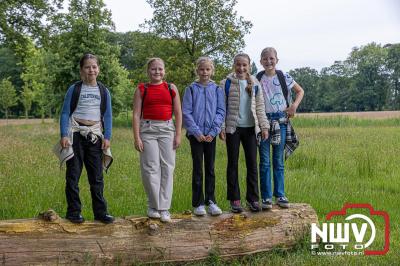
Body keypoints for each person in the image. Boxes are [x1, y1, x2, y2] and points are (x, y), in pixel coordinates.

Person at [59, 53, 114, 224]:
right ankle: (74, 212)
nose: (91, 70)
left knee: (96, 177)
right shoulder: (75, 89)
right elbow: (65, 112)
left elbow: (108, 115)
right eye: (87, 67)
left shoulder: (103, 91)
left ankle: (100, 212)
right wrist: (64, 135)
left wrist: (107, 136)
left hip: (95, 136)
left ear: (99, 69)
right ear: (81, 70)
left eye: (94, 66)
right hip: (75, 134)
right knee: (73, 175)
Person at [132, 57, 182, 223]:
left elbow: (178, 113)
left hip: (167, 129)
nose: (157, 72)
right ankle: (154, 205)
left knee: (167, 168)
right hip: (148, 130)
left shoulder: (171, 88)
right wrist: (137, 136)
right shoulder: (141, 89)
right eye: (153, 69)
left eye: (160, 69)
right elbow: (136, 114)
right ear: (148, 71)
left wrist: (178, 134)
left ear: (164, 71)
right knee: (150, 168)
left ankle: (165, 208)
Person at [219, 53, 270, 213]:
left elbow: (260, 106)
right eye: (238, 65)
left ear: (249, 66)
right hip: (233, 129)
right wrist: (221, 128)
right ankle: (235, 199)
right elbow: (221, 108)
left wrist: (264, 126)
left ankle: (253, 199)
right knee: (232, 164)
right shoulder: (226, 83)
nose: (241, 68)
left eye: (244, 65)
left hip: (250, 129)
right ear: (234, 65)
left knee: (252, 165)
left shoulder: (255, 83)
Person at [257, 47, 304, 209]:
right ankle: (266, 198)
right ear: (260, 61)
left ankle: (280, 195)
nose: (268, 62)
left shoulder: (284, 76)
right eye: (265, 59)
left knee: (278, 160)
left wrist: (294, 106)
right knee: (264, 162)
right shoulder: (258, 78)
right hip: (264, 123)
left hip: (281, 122)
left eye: (271, 58)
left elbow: (300, 91)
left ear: (277, 60)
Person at [182, 57, 225, 216]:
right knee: (198, 168)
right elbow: (186, 112)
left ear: (212, 70)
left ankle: (211, 201)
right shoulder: (191, 89)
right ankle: (198, 203)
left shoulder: (217, 89)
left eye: (207, 69)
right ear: (197, 71)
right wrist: (197, 132)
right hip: (196, 136)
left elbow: (221, 111)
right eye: (201, 69)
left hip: (211, 136)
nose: (204, 72)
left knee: (210, 168)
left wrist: (213, 132)